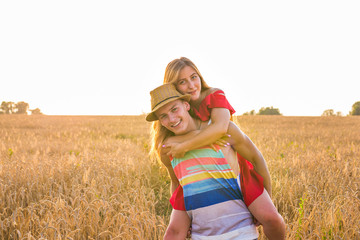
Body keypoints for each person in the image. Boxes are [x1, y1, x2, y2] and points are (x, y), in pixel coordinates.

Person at [147, 83, 286, 239]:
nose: (171, 119)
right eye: (163, 116)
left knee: (274, 220)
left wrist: (268, 197)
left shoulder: (221, 132)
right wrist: (183, 216)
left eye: (174, 109)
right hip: (203, 234)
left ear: (186, 105)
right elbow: (177, 184)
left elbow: (256, 158)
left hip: (239, 228)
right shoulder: (168, 149)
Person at [161, 57, 271, 213]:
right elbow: (176, 180)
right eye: (182, 82)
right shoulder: (178, 110)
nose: (191, 86)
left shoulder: (214, 95)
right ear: (173, 87)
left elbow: (220, 128)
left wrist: (184, 146)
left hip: (231, 165)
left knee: (271, 218)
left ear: (199, 76)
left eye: (193, 77)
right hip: (203, 178)